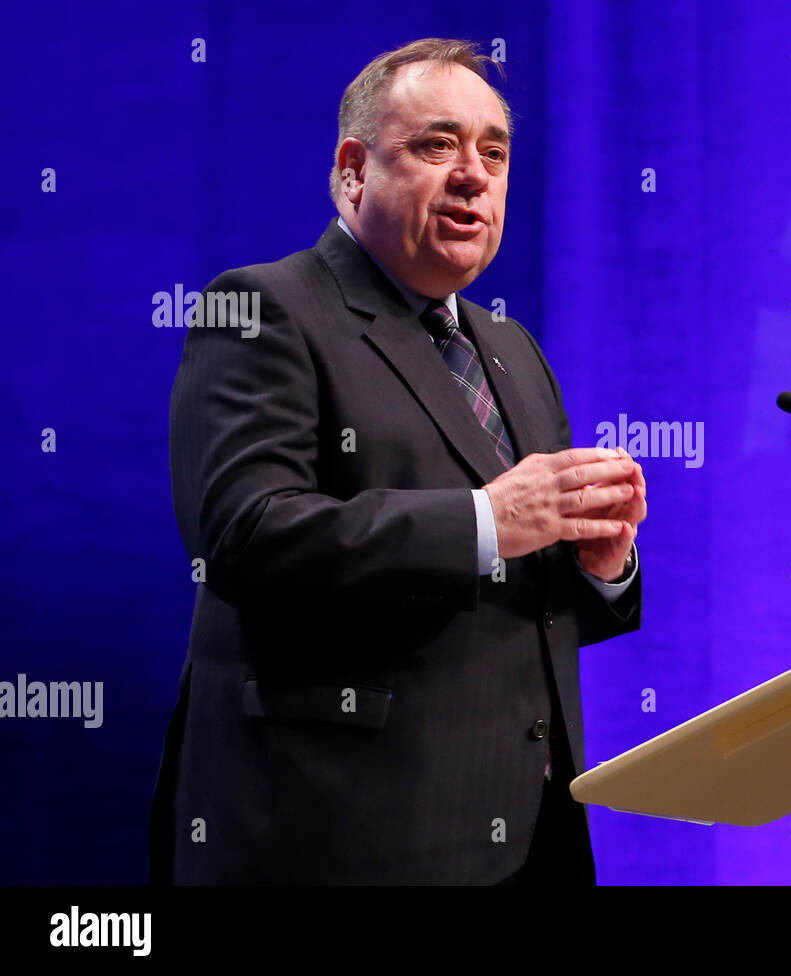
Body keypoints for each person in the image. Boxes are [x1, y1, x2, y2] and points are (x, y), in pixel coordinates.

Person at [148, 37, 646, 885]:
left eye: (494, 152)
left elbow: (525, 607)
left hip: (531, 841)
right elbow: (244, 536)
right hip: (342, 839)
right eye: (436, 144)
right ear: (353, 169)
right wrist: (490, 519)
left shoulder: (512, 349)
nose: (472, 173)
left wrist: (601, 568)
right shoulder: (263, 308)